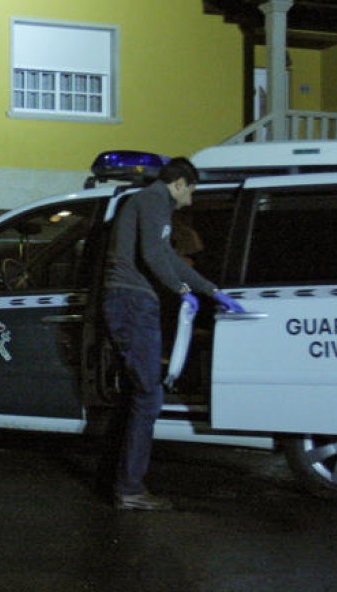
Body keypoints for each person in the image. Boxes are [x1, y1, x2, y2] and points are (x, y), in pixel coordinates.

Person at [101, 157, 244, 511]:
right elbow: (153, 255)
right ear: (179, 184)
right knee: (149, 396)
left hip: (131, 302)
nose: (190, 201)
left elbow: (167, 256)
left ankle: (125, 483)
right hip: (132, 302)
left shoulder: (150, 205)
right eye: (191, 192)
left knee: (141, 395)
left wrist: (211, 291)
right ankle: (130, 488)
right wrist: (182, 290)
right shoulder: (152, 200)